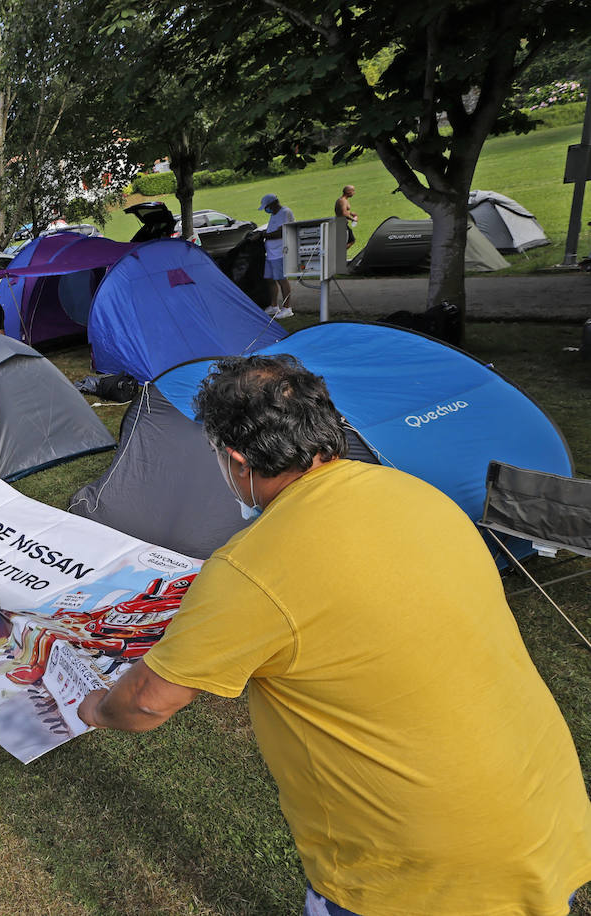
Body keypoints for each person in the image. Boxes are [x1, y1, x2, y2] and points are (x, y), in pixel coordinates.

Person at [77, 355, 591, 916]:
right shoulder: (418, 492)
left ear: (236, 462)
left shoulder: (252, 569)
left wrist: (97, 709)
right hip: (545, 809)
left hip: (422, 866)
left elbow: (149, 702)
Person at [257, 193, 294, 318]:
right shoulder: (274, 215)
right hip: (271, 253)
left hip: (280, 252)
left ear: (273, 203)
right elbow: (271, 230)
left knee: (282, 280)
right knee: (269, 279)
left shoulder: (285, 212)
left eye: (267, 207)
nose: (267, 210)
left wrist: (264, 236)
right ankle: (274, 306)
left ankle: (287, 308)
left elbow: (282, 232)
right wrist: (263, 233)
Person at [334, 184, 360, 249]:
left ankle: (339, 254)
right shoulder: (343, 201)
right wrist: (353, 219)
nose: (354, 193)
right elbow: (343, 213)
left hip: (342, 223)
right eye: (353, 191)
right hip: (341, 224)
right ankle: (338, 254)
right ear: (348, 191)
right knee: (349, 241)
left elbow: (343, 211)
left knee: (351, 240)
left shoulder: (342, 200)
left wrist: (351, 213)